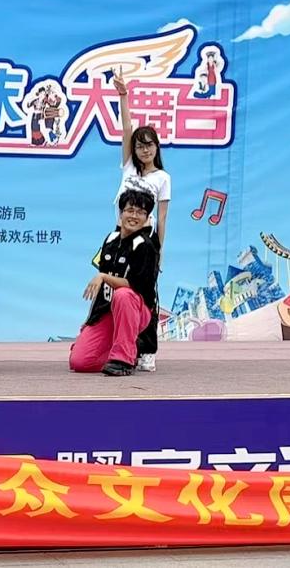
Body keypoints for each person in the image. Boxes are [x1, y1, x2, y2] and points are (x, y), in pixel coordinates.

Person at [113, 69, 171, 372]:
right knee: (117, 291)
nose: (144, 149)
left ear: (157, 148)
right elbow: (127, 127)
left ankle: (147, 349)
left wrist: (159, 251)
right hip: (120, 235)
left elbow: (162, 217)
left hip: (145, 241)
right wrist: (123, 95)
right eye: (139, 145)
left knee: (145, 294)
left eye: (149, 145)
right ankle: (122, 346)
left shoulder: (163, 178)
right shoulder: (128, 168)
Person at [69, 190, 159, 376]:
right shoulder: (110, 239)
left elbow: (134, 285)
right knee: (80, 362)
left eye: (141, 213)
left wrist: (104, 277)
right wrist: (89, 322)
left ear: (147, 218)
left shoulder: (145, 245)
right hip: (108, 310)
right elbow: (102, 290)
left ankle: (123, 360)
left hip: (136, 310)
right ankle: (129, 349)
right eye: (130, 210)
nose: (134, 216)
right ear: (121, 213)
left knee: (123, 295)